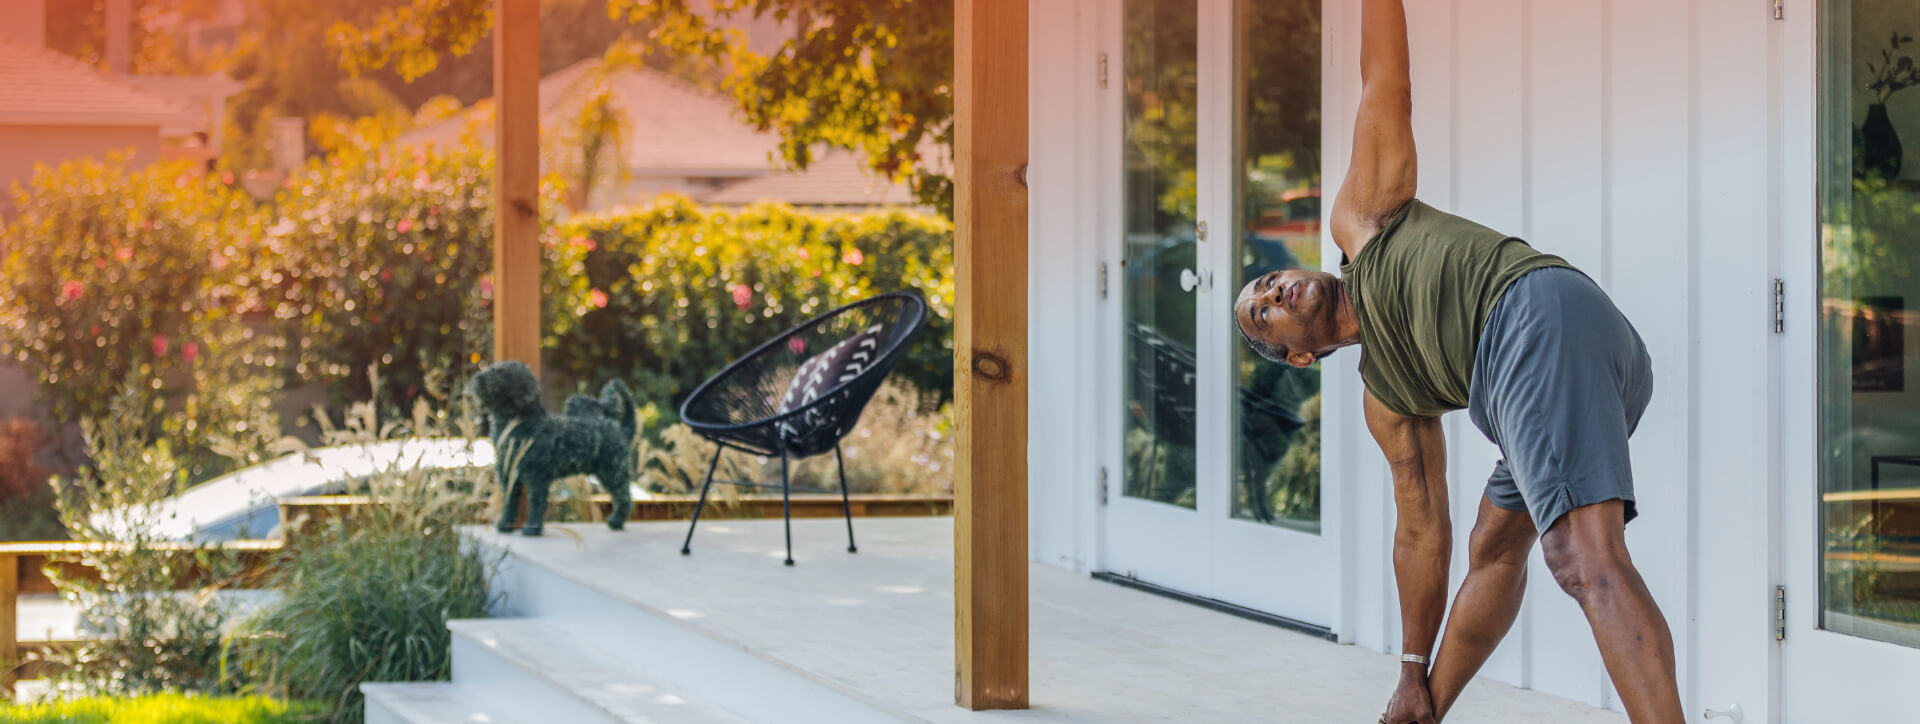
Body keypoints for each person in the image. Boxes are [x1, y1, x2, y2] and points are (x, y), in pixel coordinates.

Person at [1232, 2, 1684, 722]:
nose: (1274, 289)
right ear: (1299, 355)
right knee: (1494, 543)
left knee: (1582, 559)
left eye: (1266, 282)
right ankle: (1424, 709)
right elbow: (1420, 533)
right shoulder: (1388, 399)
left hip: (1532, 320)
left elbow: (1384, 83)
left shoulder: (1363, 222)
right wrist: (1412, 670)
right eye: (1265, 310)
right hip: (1573, 368)